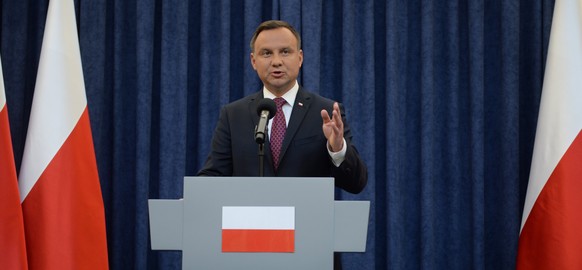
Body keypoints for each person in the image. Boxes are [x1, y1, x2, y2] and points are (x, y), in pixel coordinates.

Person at [198, 20, 368, 269]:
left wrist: (337, 148)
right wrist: (193, 199)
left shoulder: (327, 111)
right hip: (248, 250)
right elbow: (213, 175)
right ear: (253, 61)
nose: (276, 61)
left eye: (285, 52)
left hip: (310, 249)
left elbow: (357, 183)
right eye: (266, 53)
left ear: (299, 58)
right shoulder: (233, 114)